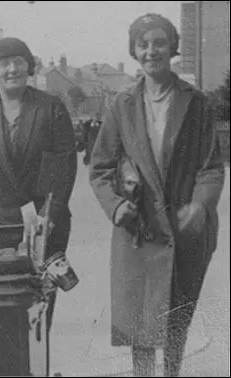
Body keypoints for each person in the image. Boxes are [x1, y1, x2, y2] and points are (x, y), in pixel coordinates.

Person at [89, 13, 225, 377]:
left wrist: (200, 204)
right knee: (140, 328)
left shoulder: (196, 103)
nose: (152, 51)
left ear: (172, 48)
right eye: (143, 44)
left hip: (183, 230)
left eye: (159, 43)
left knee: (176, 324)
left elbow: (211, 165)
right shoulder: (121, 105)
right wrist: (115, 206)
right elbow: (100, 167)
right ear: (134, 51)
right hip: (138, 230)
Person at [0, 36, 78, 342]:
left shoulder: (51, 108)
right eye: (4, 63)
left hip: (43, 229)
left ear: (28, 66)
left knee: (37, 313)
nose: (12, 69)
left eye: (18, 61)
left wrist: (50, 213)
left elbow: (63, 168)